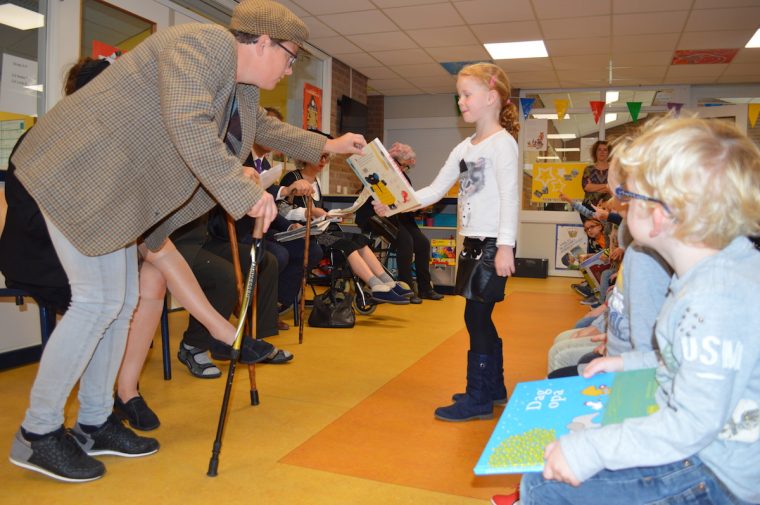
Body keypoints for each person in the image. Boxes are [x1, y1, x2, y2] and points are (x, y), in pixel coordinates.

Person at [9, 0, 366, 483]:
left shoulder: (238, 85)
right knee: (96, 302)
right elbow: (188, 123)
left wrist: (327, 144)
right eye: (290, 54)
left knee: (123, 301)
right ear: (262, 41)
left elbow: (261, 129)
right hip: (74, 174)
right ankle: (38, 432)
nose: (289, 66)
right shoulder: (199, 44)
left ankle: (94, 420)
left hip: (116, 190)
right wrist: (245, 193)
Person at [521, 117, 760, 504]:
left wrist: (591, 451)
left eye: (628, 196)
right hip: (708, 443)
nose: (620, 205)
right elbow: (685, 358)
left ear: (659, 214)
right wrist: (630, 364)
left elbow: (689, 425)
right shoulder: (718, 274)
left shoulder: (714, 300)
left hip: (718, 471)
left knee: (544, 486)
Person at [376, 63, 520, 422]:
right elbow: (434, 190)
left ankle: (478, 397)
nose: (461, 102)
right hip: (472, 243)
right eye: (459, 96)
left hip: (492, 245)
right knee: (479, 318)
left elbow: (510, 197)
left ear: (491, 98)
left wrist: (505, 246)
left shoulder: (504, 145)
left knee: (475, 316)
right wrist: (395, 203)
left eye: (467, 95)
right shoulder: (464, 148)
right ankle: (494, 387)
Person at [280, 131, 411, 305]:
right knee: (347, 244)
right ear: (305, 156)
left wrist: (331, 215)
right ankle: (375, 285)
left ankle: (386, 281)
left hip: (321, 230)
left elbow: (318, 213)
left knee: (360, 240)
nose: (323, 162)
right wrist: (311, 212)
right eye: (320, 157)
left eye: (326, 158)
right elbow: (283, 210)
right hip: (305, 235)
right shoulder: (292, 178)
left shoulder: (317, 183)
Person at [356, 142, 443, 304]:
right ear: (393, 162)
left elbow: (407, 201)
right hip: (377, 217)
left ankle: (425, 288)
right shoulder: (376, 174)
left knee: (423, 243)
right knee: (406, 242)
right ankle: (406, 288)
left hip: (399, 218)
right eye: (405, 166)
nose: (405, 170)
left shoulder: (404, 178)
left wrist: (419, 208)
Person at [581, 140, 611, 213]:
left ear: (609, 153)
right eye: (599, 150)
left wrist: (593, 187)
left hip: (608, 209)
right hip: (588, 208)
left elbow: (614, 189)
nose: (602, 152)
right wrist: (606, 186)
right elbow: (586, 187)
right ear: (595, 152)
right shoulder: (588, 169)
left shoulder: (613, 170)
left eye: (605, 150)